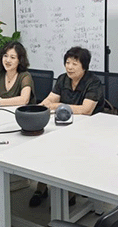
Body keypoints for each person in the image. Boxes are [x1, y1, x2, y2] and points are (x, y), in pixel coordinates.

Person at [30, 46, 104, 207]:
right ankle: (41, 187)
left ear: (84, 66)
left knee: (68, 149)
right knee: (45, 144)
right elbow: (50, 99)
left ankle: (69, 191)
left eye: (74, 64)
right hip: (64, 124)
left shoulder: (93, 82)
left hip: (89, 128)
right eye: (67, 63)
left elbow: (86, 110)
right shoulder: (63, 79)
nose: (69, 67)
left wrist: (59, 106)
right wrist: (40, 108)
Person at [0, 41, 35, 106]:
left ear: (20, 60)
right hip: (1, 110)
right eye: (5, 56)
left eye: (12, 57)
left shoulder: (25, 76)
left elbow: (24, 100)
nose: (8, 60)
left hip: (20, 112)